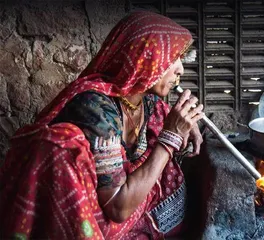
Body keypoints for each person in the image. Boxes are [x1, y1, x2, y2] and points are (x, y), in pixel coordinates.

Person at [0, 11, 204, 239]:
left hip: (119, 199)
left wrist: (187, 124)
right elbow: (117, 208)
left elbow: (162, 116)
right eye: (172, 59)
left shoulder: (144, 98)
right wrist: (171, 138)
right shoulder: (95, 108)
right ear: (143, 59)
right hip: (98, 209)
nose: (180, 70)